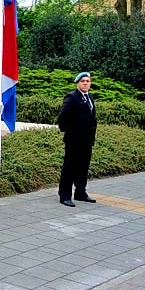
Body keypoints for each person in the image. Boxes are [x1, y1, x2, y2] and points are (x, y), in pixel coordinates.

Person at [56, 71, 98, 207]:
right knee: (70, 167)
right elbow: (62, 118)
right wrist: (71, 132)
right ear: (77, 83)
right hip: (74, 140)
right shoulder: (72, 97)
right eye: (83, 81)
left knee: (83, 167)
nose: (85, 83)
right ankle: (65, 195)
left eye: (88, 81)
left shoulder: (89, 97)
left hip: (87, 140)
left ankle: (80, 192)